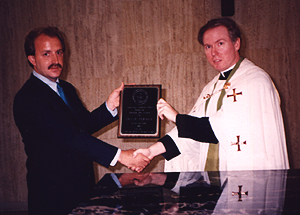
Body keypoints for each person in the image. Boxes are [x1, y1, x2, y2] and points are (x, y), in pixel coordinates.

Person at [13, 26, 149, 215]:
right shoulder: (28, 98)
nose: (55, 60)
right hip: (52, 194)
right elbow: (69, 136)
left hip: (82, 185)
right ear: (32, 59)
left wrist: (110, 107)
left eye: (59, 52)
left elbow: (83, 127)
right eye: (46, 54)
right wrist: (121, 155)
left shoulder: (66, 88)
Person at [133, 17, 289, 172]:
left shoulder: (255, 80)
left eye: (220, 44)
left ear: (236, 44)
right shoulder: (212, 87)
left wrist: (175, 117)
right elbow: (191, 133)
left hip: (250, 178)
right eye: (208, 47)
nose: (214, 53)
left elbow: (220, 128)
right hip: (215, 181)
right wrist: (151, 151)